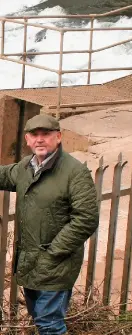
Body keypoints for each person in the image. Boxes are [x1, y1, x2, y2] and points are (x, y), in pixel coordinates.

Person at [1, 114, 99, 335]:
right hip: (31, 262)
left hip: (56, 263)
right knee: (41, 318)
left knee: (49, 323)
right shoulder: (26, 167)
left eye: (45, 134)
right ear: (27, 139)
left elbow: (86, 218)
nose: (40, 139)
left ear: (58, 137)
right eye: (34, 135)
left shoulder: (74, 172)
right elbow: (4, 175)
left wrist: (54, 252)